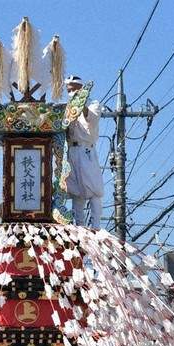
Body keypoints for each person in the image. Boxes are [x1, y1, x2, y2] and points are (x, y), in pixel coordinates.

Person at [65, 75, 104, 230]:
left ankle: (96, 225)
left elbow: (92, 119)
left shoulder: (94, 104)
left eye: (74, 89)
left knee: (93, 188)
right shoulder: (67, 107)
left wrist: (80, 103)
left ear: (80, 89)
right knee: (76, 189)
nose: (71, 92)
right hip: (71, 150)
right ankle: (79, 225)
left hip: (86, 148)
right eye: (68, 90)